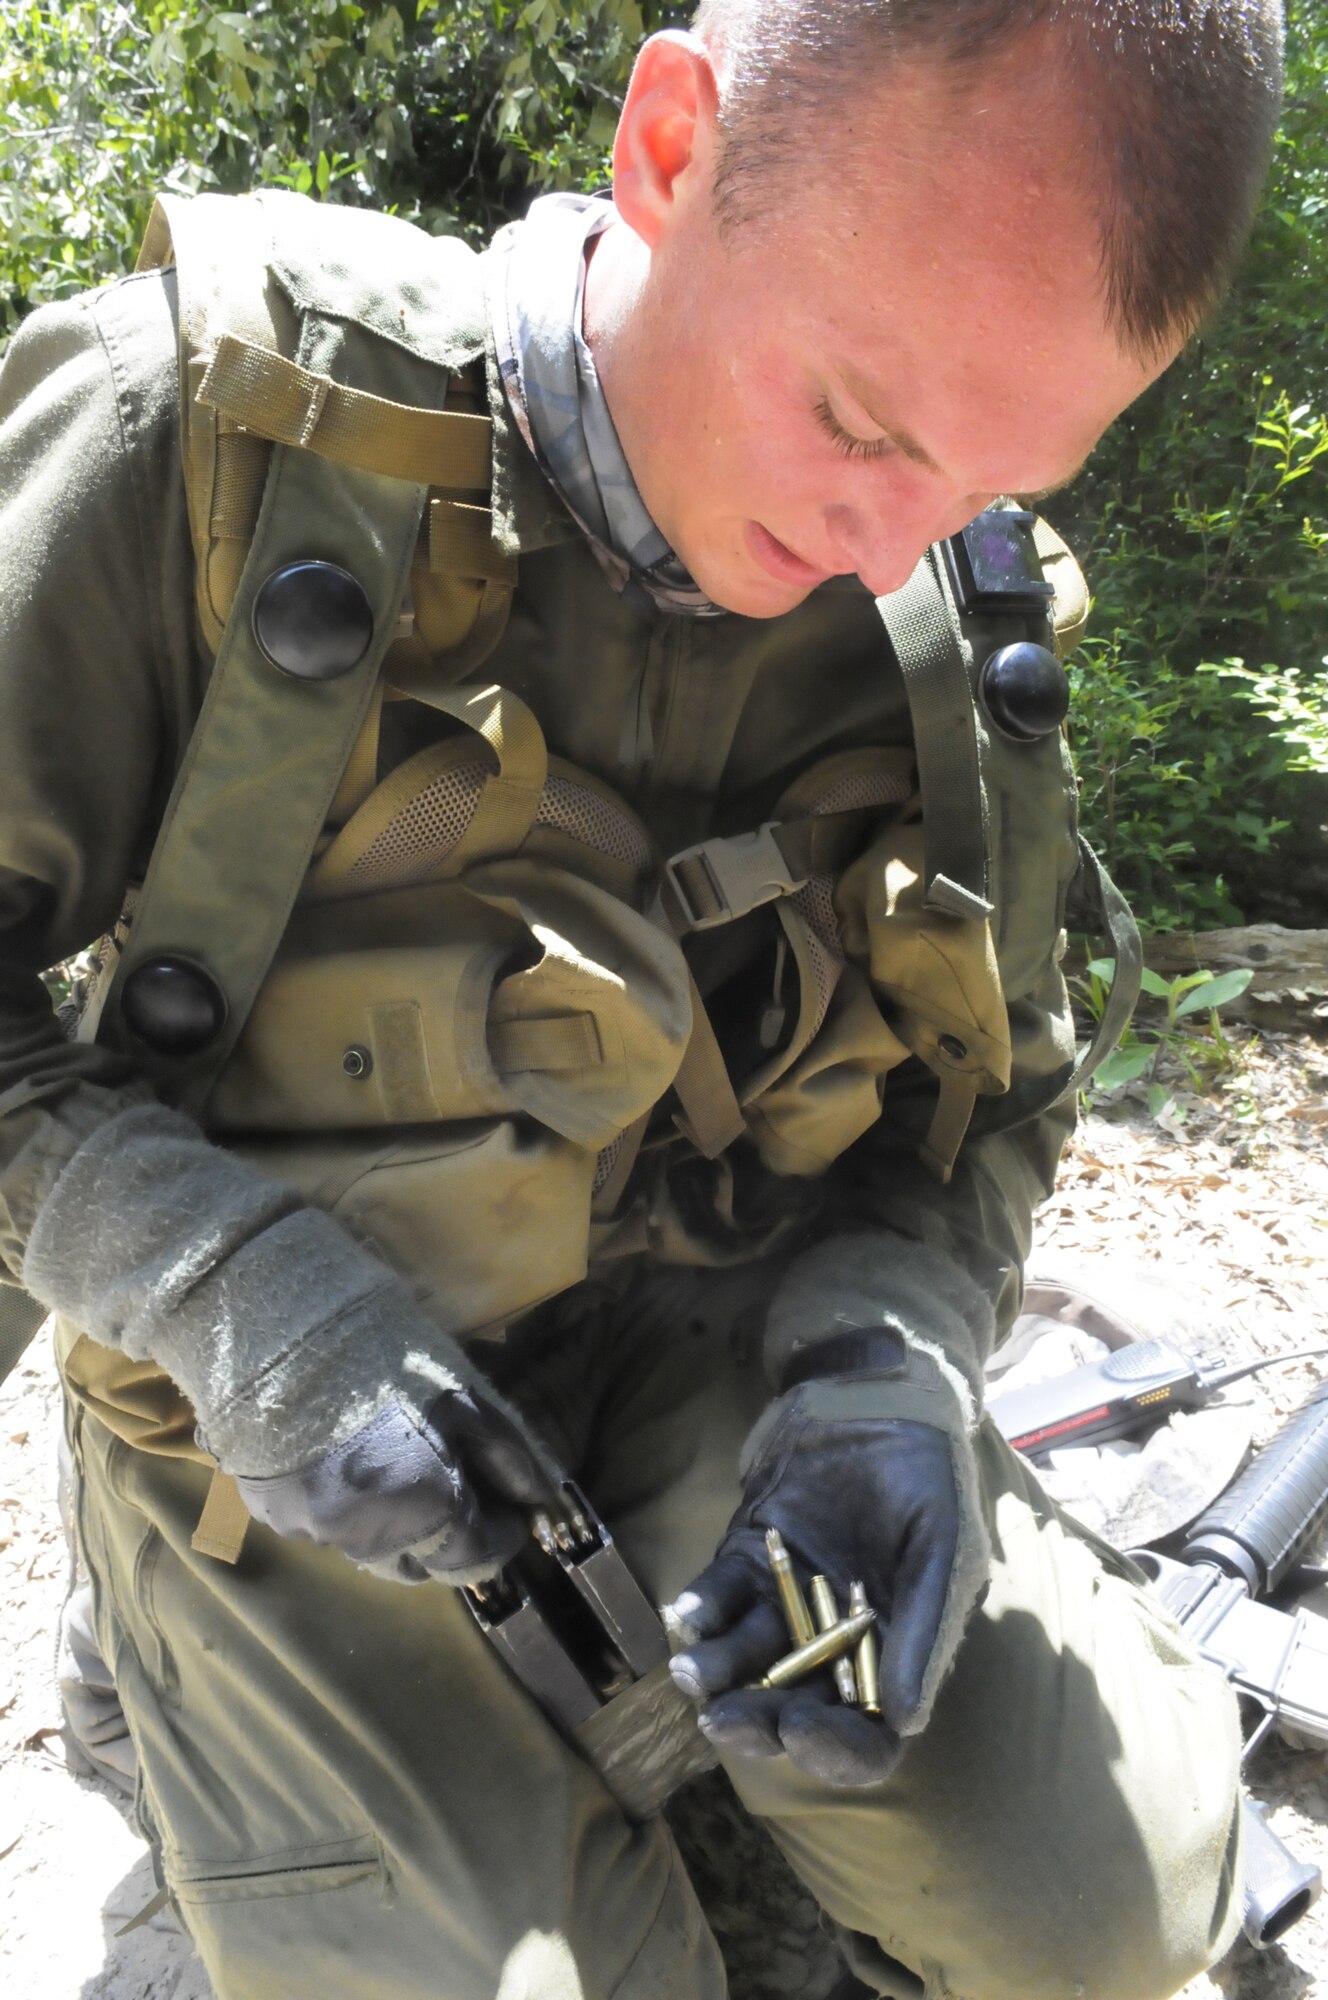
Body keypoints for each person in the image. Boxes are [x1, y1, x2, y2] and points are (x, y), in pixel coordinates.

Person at [0, 2, 1284, 1996]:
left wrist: (884, 1354)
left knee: (1095, 1918)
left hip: (713, 1359)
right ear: (669, 151)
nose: (889, 540)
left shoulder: (944, 599)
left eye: (998, 475)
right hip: (296, 1395)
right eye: (858, 422)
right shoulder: (214, 435)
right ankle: (171, 1704)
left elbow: (998, 1094)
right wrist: (220, 1290)